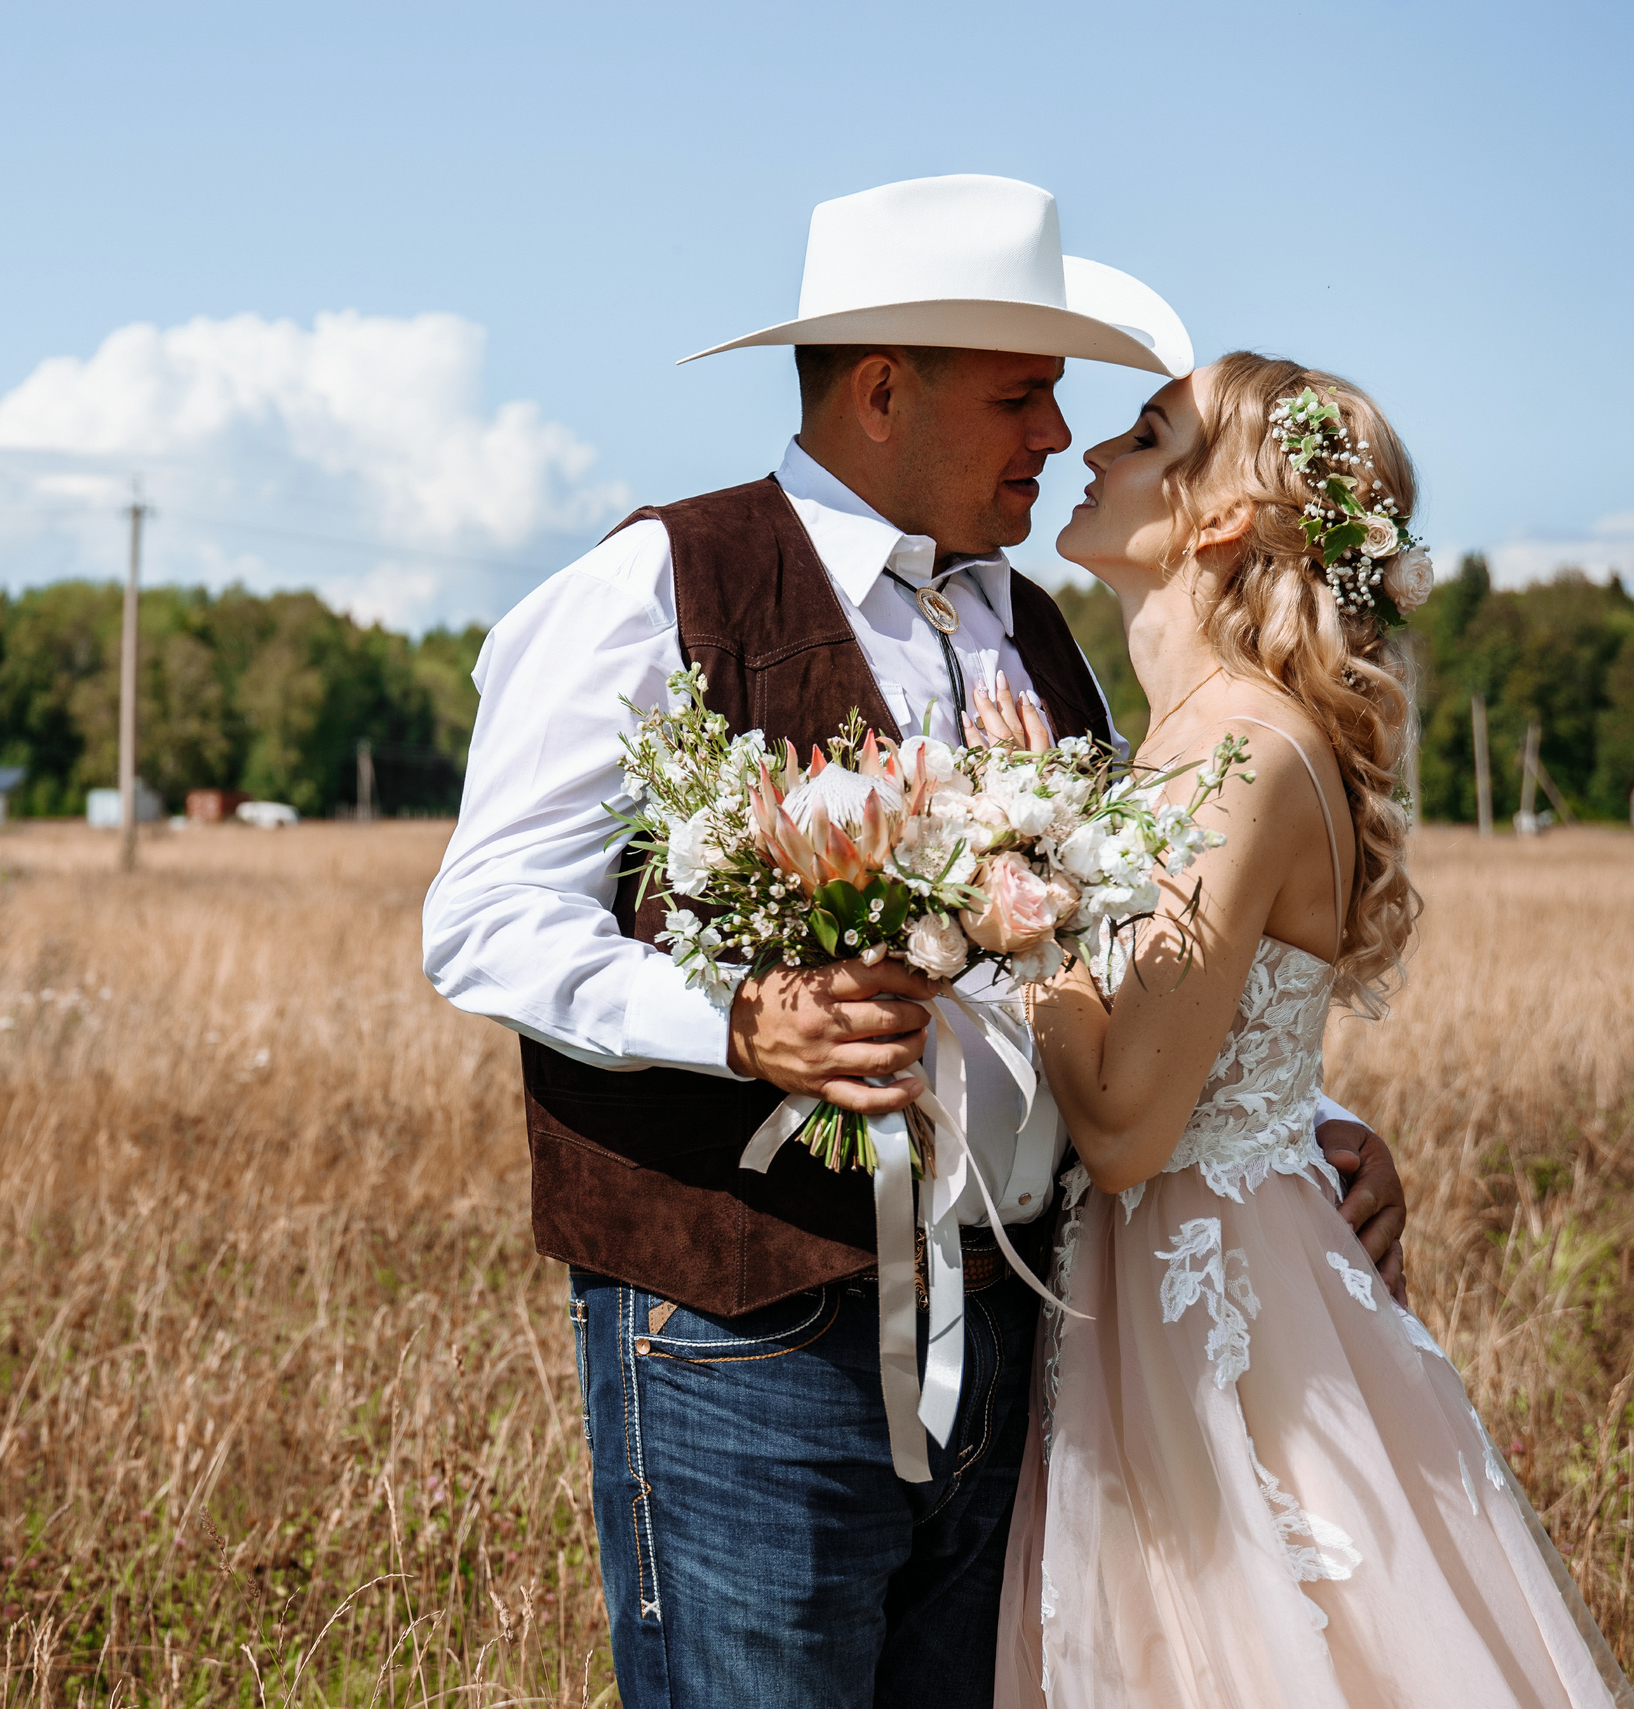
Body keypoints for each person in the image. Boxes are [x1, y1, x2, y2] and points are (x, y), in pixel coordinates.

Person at [421, 174, 1411, 1708]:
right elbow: (481, 918)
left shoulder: (1042, 631)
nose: (1058, 435)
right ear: (883, 390)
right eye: (1024, 395)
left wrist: (1314, 1128)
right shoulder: (656, 585)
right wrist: (739, 1022)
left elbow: (1132, 948)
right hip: (747, 1343)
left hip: (1031, 1351)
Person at [980, 353, 1629, 1705]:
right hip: (1156, 1290)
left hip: (1214, 1314)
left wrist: (1013, 889)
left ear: (1220, 518)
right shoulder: (1174, 743)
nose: (1095, 449)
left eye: (1150, 434)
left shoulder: (1248, 751)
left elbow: (1123, 1125)